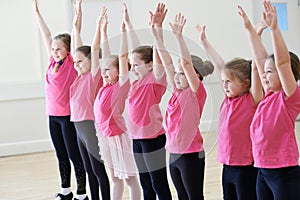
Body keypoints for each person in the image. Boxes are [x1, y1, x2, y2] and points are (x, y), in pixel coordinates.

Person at [196, 15, 267, 199]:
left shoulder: (252, 100)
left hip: (247, 167)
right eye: (223, 81)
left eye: (229, 82)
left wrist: (255, 35)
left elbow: (257, 68)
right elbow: (221, 66)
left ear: (245, 83)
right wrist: (204, 43)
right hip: (227, 166)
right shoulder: (228, 100)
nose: (225, 85)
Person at [238, 1, 300, 199]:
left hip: (284, 173)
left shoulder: (290, 97)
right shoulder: (269, 95)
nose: (264, 76)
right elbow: (259, 60)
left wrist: (274, 29)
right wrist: (250, 31)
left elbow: (282, 63)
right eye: (265, 73)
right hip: (262, 170)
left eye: (269, 72)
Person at [151, 7, 214, 199]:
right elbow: (166, 60)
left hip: (191, 155)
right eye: (176, 73)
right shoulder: (176, 91)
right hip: (174, 154)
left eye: (182, 73)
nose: (177, 76)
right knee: (181, 196)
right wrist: (156, 29)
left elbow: (185, 64)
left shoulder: (196, 92)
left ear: (195, 75)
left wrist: (179, 37)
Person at [32, 0, 87, 199]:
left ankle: (81, 193)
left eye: (59, 49)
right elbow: (46, 34)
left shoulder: (72, 64)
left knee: (75, 155)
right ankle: (65, 190)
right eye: (53, 49)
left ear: (68, 51)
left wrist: (77, 14)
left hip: (68, 117)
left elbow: (76, 31)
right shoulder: (51, 61)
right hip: (53, 116)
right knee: (60, 155)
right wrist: (37, 12)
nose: (54, 52)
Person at [93, 4, 141, 200]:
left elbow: (120, 58)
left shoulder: (121, 85)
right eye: (103, 70)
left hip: (119, 136)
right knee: (114, 178)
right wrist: (103, 30)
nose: (104, 73)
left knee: (130, 179)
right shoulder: (104, 86)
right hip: (105, 136)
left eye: (108, 70)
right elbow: (107, 56)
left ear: (120, 71)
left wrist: (122, 32)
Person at [125, 3, 172, 200]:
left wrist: (157, 30)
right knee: (145, 183)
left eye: (136, 65)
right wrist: (128, 24)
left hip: (153, 139)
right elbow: (136, 48)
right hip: (136, 139)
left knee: (158, 182)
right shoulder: (136, 82)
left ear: (150, 65)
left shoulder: (155, 78)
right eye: (132, 65)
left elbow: (160, 57)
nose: (133, 68)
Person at [70, 2, 110, 200]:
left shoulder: (94, 75)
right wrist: (77, 19)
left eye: (80, 61)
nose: (77, 65)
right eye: (75, 62)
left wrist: (99, 27)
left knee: (98, 169)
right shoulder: (78, 77)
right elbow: (77, 44)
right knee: (88, 169)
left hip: (90, 127)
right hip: (78, 128)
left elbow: (93, 49)